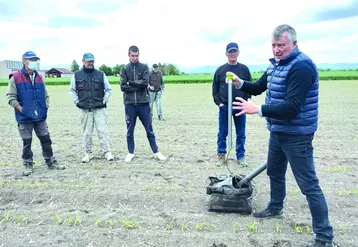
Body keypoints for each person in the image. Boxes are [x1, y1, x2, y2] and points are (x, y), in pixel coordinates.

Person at [228, 24, 334, 247]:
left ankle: (324, 237)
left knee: (309, 185)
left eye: (281, 45)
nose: (276, 49)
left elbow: (292, 106)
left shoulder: (302, 67)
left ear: (294, 44)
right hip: (278, 130)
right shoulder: (276, 65)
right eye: (274, 45)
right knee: (275, 172)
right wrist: (241, 83)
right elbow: (258, 87)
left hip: (297, 134)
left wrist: (258, 110)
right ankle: (275, 207)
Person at [6, 51, 65, 176]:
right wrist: (23, 110)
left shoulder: (39, 77)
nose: (34, 62)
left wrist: (44, 108)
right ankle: (28, 163)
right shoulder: (15, 77)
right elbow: (11, 98)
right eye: (30, 59)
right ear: (24, 61)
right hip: (24, 117)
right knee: (27, 141)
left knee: (46, 139)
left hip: (40, 116)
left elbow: (46, 96)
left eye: (35, 60)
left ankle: (50, 161)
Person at [120, 45, 166, 163]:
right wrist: (137, 85)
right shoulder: (124, 69)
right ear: (128, 55)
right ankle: (130, 152)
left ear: (139, 55)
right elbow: (123, 87)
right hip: (130, 104)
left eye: (136, 55)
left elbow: (145, 83)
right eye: (132, 55)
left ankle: (156, 151)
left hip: (143, 103)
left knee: (149, 129)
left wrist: (131, 83)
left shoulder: (144, 67)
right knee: (130, 130)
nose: (135, 58)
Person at [69, 53, 114, 163]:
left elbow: (108, 90)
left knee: (103, 131)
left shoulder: (101, 74)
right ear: (83, 61)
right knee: (87, 133)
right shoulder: (76, 75)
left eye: (92, 61)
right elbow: (72, 90)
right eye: (88, 61)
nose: (90, 63)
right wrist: (77, 102)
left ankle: (107, 152)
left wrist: (104, 101)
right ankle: (87, 153)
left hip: (99, 109)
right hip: (85, 110)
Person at [212, 42, 252, 167]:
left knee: (241, 133)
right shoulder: (220, 70)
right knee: (223, 132)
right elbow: (215, 88)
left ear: (238, 53)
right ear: (226, 54)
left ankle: (240, 156)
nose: (232, 54)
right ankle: (221, 156)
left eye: (235, 51)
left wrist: (246, 100)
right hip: (225, 106)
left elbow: (250, 86)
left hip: (239, 106)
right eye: (230, 51)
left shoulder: (244, 69)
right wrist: (219, 104)